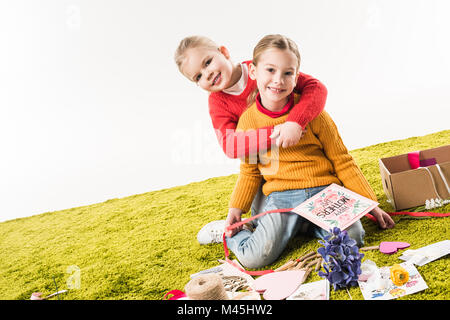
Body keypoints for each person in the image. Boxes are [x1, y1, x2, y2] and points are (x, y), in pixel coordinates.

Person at [202, 34, 395, 269]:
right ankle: (241, 232)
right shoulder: (248, 122)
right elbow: (250, 172)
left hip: (325, 193)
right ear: (253, 72)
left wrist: (369, 203)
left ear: (297, 77)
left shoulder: (314, 113)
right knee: (253, 258)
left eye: (287, 73)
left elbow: (342, 160)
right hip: (282, 197)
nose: (278, 80)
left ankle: (308, 226)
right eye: (270, 70)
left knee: (352, 240)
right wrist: (236, 210)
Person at [174, 35, 328, 239]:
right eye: (198, 76)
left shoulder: (264, 68)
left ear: (224, 52)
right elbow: (230, 145)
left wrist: (295, 122)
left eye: (208, 62)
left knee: (294, 217)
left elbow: (316, 88)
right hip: (263, 168)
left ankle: (306, 224)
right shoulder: (218, 102)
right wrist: (278, 132)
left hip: (299, 158)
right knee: (262, 221)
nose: (208, 74)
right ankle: (236, 229)